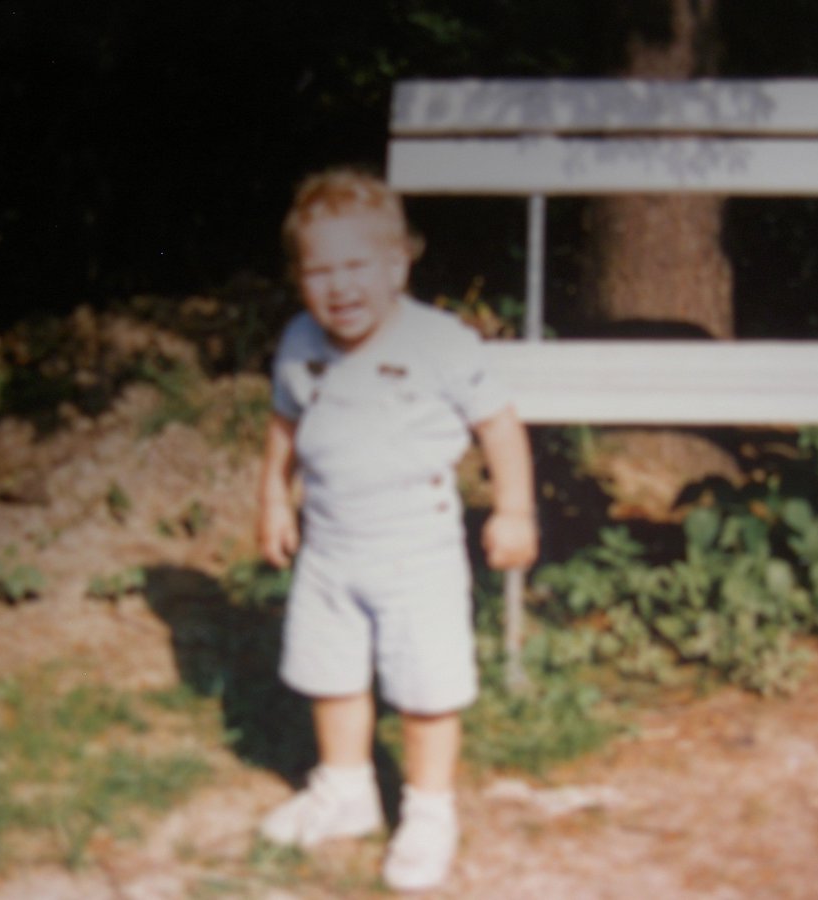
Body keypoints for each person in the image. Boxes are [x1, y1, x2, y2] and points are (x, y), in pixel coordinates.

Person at [256, 167, 537, 892]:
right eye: (319, 271)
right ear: (299, 279)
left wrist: (514, 509)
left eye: (357, 266)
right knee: (330, 673)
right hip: (329, 547)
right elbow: (285, 426)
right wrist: (274, 500)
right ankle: (345, 789)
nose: (339, 287)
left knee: (425, 687)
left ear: (397, 264)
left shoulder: (440, 342)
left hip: (418, 551)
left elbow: (499, 426)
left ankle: (429, 811)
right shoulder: (299, 342)